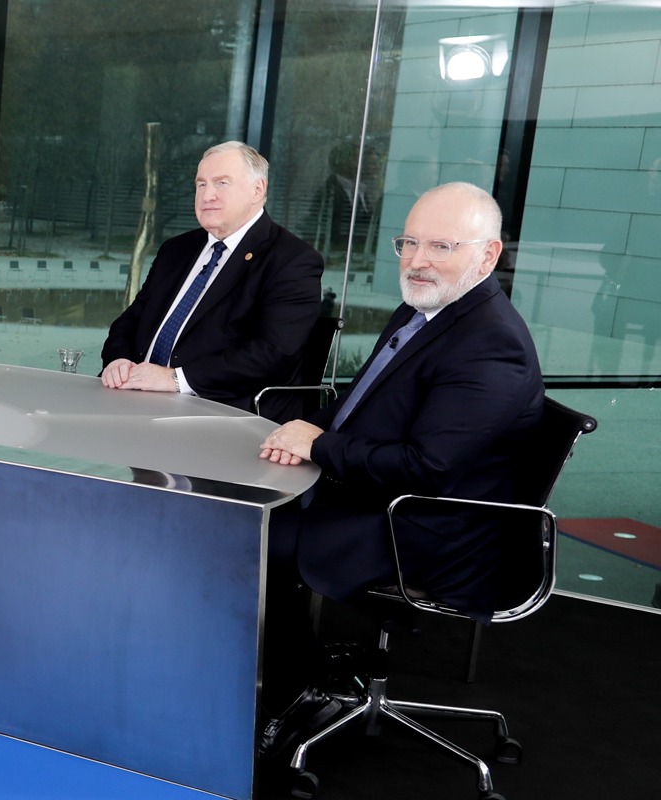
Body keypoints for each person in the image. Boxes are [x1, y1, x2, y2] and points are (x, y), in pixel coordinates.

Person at [255, 182, 543, 748]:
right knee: (249, 513)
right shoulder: (426, 309)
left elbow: (427, 468)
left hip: (431, 524)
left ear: (488, 255)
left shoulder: (491, 345)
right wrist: (306, 432)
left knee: (256, 539)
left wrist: (318, 447)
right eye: (408, 243)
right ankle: (292, 673)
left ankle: (297, 690)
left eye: (440, 246)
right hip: (379, 493)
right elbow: (362, 403)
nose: (416, 260)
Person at [100, 141, 324, 420]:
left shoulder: (292, 260)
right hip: (135, 399)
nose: (207, 195)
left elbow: (273, 353)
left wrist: (176, 379)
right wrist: (119, 360)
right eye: (201, 184)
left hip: (221, 411)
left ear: (258, 190)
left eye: (221, 183)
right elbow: (132, 319)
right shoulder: (177, 249)